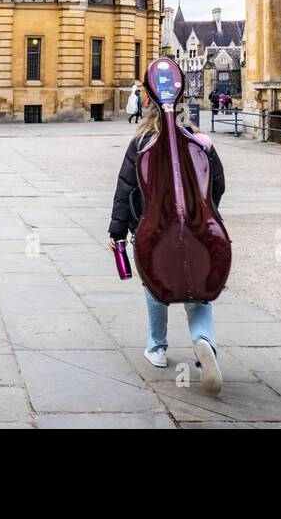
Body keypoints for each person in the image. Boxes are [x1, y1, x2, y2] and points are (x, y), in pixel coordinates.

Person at [108, 101, 227, 395]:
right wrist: (204, 213)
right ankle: (203, 341)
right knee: (197, 287)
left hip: (153, 229)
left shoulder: (141, 144)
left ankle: (157, 347)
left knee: (155, 284)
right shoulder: (199, 143)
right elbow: (218, 185)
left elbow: (125, 189)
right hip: (197, 227)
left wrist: (117, 231)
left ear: (149, 115)